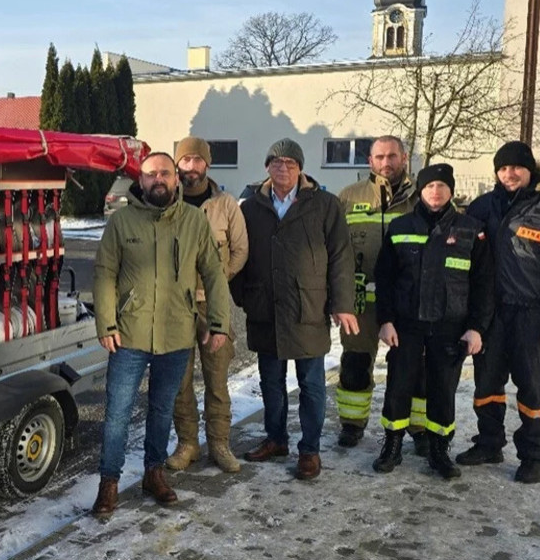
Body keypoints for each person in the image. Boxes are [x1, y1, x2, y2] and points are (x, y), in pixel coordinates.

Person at [90, 151, 232, 517]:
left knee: (161, 409)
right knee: (118, 414)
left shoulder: (193, 222)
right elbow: (105, 273)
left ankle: (154, 473)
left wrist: (219, 322)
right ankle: (109, 483)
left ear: (175, 178)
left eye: (164, 173)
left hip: (177, 333)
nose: (158, 179)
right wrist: (106, 323)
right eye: (150, 174)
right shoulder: (121, 222)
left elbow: (214, 274)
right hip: (129, 334)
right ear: (140, 180)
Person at [456, 141, 540, 484]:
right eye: (502, 168)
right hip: (490, 315)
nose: (509, 174)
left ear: (530, 170)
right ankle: (488, 443)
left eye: (515, 167)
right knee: (487, 383)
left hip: (533, 316)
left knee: (532, 387)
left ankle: (532, 455)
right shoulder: (482, 207)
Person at [231, 138, 356, 480]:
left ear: (301, 168)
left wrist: (342, 303)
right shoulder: (250, 208)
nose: (282, 168)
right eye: (276, 162)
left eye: (290, 163)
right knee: (271, 382)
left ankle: (310, 451)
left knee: (311, 385)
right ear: (267, 167)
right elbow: (237, 254)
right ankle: (276, 439)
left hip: (309, 308)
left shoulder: (325, 205)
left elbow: (341, 257)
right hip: (266, 309)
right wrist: (243, 295)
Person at [372, 163, 493, 479]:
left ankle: (439, 449)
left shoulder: (472, 229)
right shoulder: (400, 227)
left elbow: (483, 284)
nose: (435, 192)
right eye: (429, 187)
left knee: (443, 388)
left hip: (450, 325)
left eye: (441, 186)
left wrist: (476, 327)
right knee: (399, 385)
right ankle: (392, 445)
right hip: (406, 323)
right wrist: (385, 320)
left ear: (451, 190)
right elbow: (384, 279)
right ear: (420, 191)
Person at [165, 136, 249, 474]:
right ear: (177, 165)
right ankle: (188, 444)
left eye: (197, 160)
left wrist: (218, 278)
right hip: (175, 306)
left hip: (213, 306)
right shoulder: (168, 203)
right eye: (185, 161)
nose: (191, 167)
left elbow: (241, 250)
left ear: (207, 165)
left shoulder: (226, 204)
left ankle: (219, 444)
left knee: (217, 380)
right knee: (179, 382)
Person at [335, 136, 422, 451]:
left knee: (413, 366)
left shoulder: (421, 197)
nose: (387, 163)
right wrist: (337, 298)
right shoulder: (347, 197)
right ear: (369, 161)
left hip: (407, 304)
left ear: (404, 158)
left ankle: (418, 428)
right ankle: (352, 425)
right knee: (355, 365)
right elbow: (334, 252)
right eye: (380, 157)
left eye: (392, 156)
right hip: (360, 304)